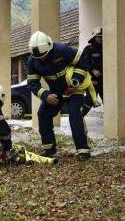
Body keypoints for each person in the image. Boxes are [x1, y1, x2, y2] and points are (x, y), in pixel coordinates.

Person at [27, 31, 92, 162]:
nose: (41, 59)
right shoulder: (32, 60)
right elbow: (32, 82)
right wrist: (45, 95)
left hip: (74, 89)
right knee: (43, 113)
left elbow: (83, 60)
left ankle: (83, 150)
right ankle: (49, 148)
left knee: (75, 114)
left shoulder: (62, 50)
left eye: (44, 55)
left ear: (49, 47)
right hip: (55, 91)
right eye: (38, 57)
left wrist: (75, 81)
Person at [82, 27, 103, 116]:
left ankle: (112, 121)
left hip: (104, 79)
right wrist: (92, 70)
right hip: (91, 79)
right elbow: (83, 63)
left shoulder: (107, 47)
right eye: (98, 36)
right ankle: (79, 116)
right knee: (90, 98)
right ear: (94, 37)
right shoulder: (88, 49)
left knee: (108, 99)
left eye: (102, 36)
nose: (100, 38)